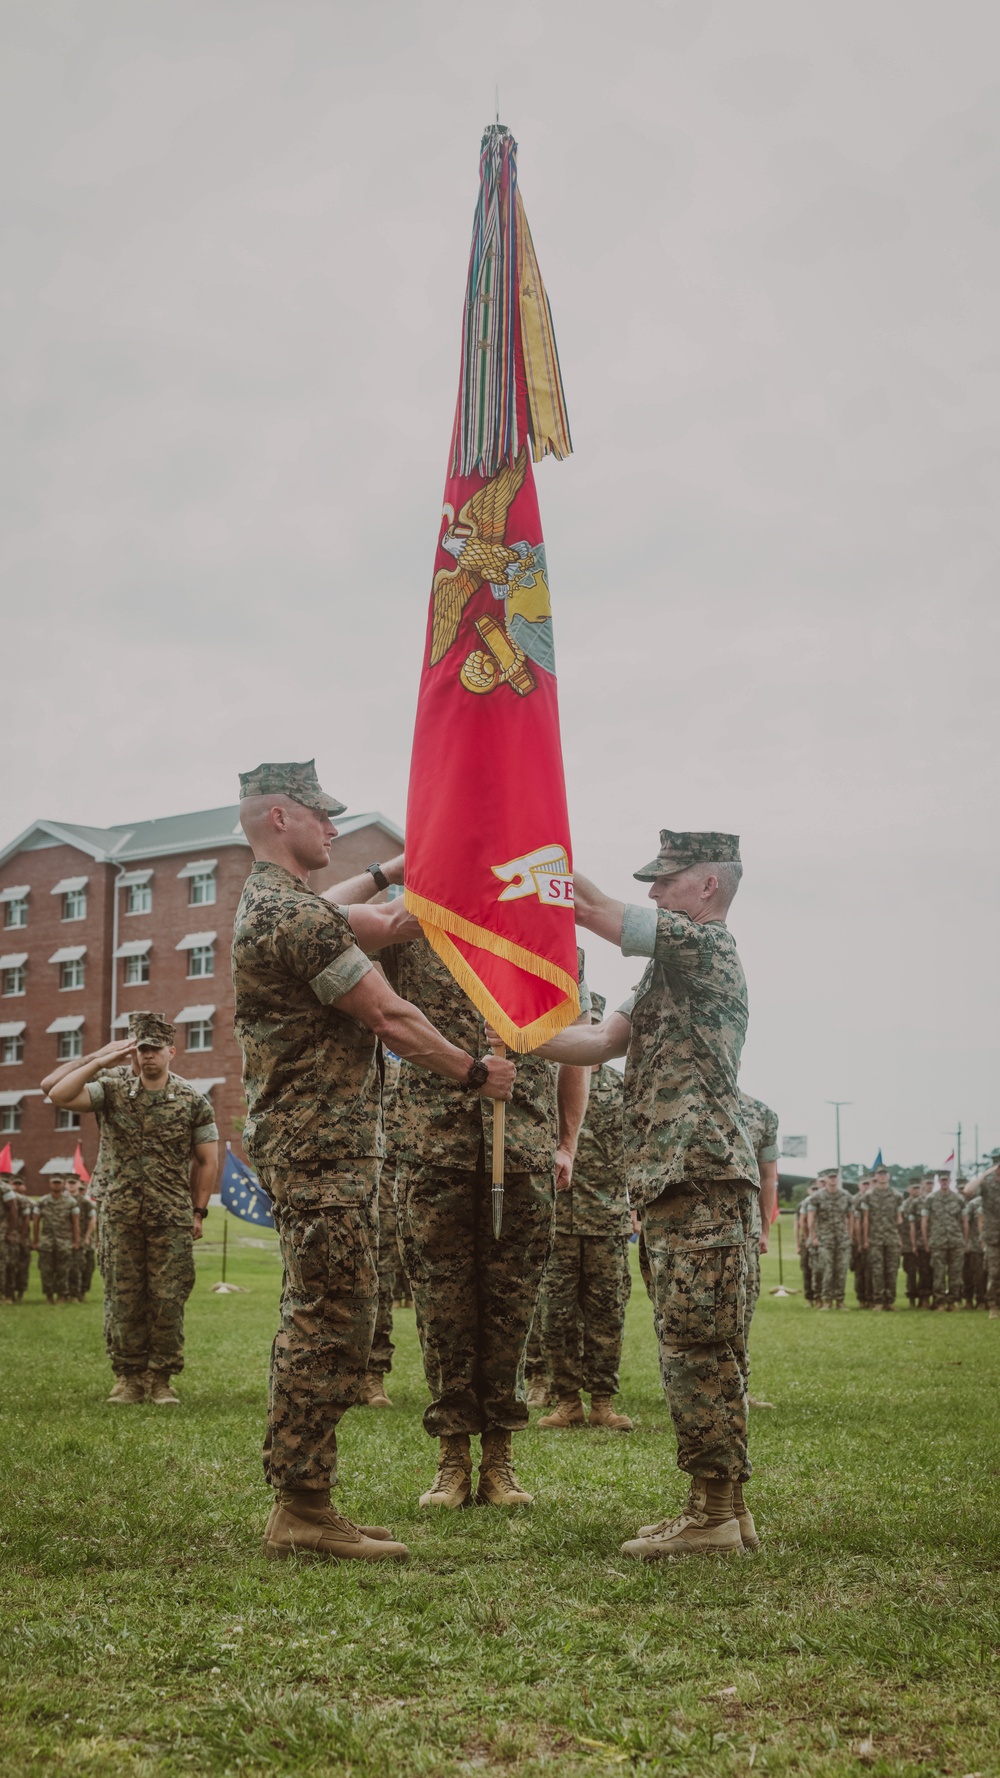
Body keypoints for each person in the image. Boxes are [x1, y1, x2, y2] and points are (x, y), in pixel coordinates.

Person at [232, 760, 515, 1564]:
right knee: (331, 1319)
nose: (333, 828)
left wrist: (410, 871)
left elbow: (384, 922)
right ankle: (302, 1508)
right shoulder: (293, 916)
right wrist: (474, 1071)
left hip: (318, 1143)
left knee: (336, 1314)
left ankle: (308, 1500)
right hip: (319, 1145)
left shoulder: (280, 904)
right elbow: (390, 1014)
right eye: (322, 816)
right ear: (280, 816)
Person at [530, 830, 759, 1560]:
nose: (655, 891)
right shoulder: (665, 973)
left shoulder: (708, 948)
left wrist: (528, 865)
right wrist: (512, 1033)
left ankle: (715, 1516)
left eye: (667, 879)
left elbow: (597, 911)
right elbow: (595, 1042)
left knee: (702, 1350)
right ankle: (718, 1509)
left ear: (708, 888)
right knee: (693, 1348)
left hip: (703, 1181)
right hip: (670, 1185)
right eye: (651, 882)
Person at [379, 930, 589, 1509]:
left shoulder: (543, 935)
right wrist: (396, 876)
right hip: (432, 1149)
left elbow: (576, 1049)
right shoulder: (412, 929)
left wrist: (566, 1142)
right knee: (442, 1312)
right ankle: (451, 1460)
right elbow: (341, 933)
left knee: (511, 1310)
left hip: (522, 1152)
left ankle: (499, 1460)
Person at [47, 1012, 219, 1403]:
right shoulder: (111, 1089)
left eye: (155, 1049)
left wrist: (198, 1211)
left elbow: (207, 1161)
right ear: (133, 1053)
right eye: (141, 1049)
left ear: (171, 1051)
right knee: (122, 1297)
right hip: (119, 1213)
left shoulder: (192, 1100)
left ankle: (160, 1379)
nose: (148, 1057)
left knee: (167, 1298)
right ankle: (128, 1377)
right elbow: (57, 1094)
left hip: (170, 1215)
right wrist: (98, 1060)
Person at [537, 994, 633, 1433]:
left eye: (589, 1022)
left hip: (607, 1217)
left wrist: (635, 1206)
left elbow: (638, 1149)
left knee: (606, 1313)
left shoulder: (622, 1087)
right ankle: (566, 1401)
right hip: (555, 1218)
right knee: (555, 1313)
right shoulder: (548, 1081)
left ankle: (603, 1402)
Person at [738, 1090, 778, 1408]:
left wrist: (764, 1228)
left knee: (743, 1308)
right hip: (691, 1228)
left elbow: (768, 1175)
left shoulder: (761, 1113)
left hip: (745, 1228)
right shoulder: (684, 1097)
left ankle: (738, 1390)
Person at [963, 1151, 1000, 1320]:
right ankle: (994, 1306)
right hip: (993, 1237)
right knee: (994, 1273)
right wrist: (985, 1174)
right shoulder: (987, 1186)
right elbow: (968, 1191)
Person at [807, 1171, 852, 1309]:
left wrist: (850, 1235)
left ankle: (839, 1300)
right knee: (827, 1270)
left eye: (835, 1177)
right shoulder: (817, 1197)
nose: (833, 1180)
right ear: (825, 1179)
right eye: (830, 1177)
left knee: (841, 1270)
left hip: (842, 1239)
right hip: (824, 1239)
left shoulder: (846, 1196)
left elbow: (851, 1217)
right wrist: (813, 1236)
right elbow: (811, 1218)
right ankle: (826, 1300)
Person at [32, 1174, 80, 1303]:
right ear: (50, 1184)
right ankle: (48, 1296)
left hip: (64, 1242)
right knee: (46, 1270)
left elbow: (75, 1223)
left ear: (63, 1184)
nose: (56, 1185)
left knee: (63, 1270)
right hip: (47, 1242)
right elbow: (36, 1222)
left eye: (59, 1183)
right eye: (54, 1182)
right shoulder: (42, 1201)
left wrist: (76, 1241)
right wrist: (36, 1241)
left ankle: (61, 1296)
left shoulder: (71, 1202)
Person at [923, 1172, 965, 1311]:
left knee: (955, 1272)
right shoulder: (931, 1199)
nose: (944, 1182)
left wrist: (964, 1239)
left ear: (950, 1181)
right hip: (938, 1241)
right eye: (942, 1180)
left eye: (946, 1180)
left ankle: (952, 1301)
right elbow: (925, 1222)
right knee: (938, 1273)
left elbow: (964, 1221)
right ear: (938, 1181)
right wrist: (926, 1241)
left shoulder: (959, 1199)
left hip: (956, 1240)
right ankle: (939, 1301)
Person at [864, 1165, 902, 1310]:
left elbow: (899, 1220)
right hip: (875, 1238)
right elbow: (866, 1219)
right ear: (875, 1177)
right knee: (877, 1270)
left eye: (884, 1174)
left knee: (892, 1270)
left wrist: (898, 1238)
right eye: (879, 1174)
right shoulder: (869, 1195)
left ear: (889, 1176)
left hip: (891, 1237)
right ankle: (878, 1301)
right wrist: (866, 1238)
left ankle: (889, 1301)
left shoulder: (897, 1195)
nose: (882, 1177)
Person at [68, 1177, 98, 1302]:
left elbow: (93, 1221)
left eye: (82, 1188)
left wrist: (87, 1237)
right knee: (74, 1267)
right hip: (70, 1240)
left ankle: (82, 1292)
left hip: (85, 1240)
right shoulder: (67, 1201)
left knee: (88, 1267)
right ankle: (73, 1293)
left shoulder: (86, 1203)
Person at [851, 1175, 873, 1308]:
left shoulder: (872, 1199)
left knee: (871, 1271)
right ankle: (861, 1299)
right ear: (859, 1186)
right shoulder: (853, 1200)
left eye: (868, 1184)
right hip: (856, 1241)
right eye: (864, 1184)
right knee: (859, 1271)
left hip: (871, 1240)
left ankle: (871, 1298)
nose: (866, 1187)